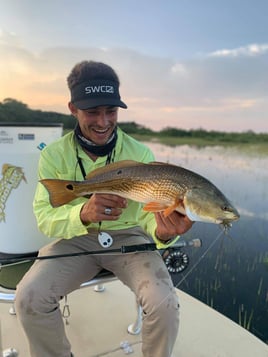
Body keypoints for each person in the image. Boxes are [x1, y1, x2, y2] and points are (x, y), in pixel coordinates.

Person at [15, 60, 193, 357]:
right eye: (92, 112)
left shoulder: (140, 153)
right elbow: (45, 219)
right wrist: (82, 214)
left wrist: (163, 234)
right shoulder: (54, 155)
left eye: (110, 111)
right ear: (73, 108)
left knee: (164, 303)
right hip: (76, 239)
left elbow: (152, 217)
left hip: (130, 239)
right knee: (29, 298)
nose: (103, 121)